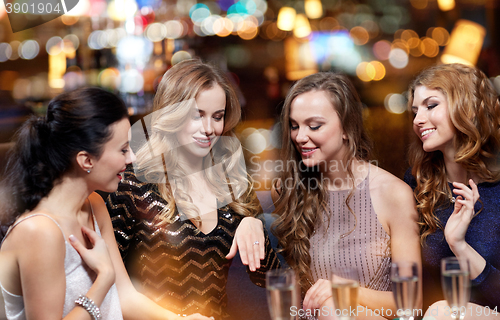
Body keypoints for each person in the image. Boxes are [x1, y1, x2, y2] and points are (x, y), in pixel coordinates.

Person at [0, 87, 211, 320]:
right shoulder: (40, 231)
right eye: (123, 150)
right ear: (86, 160)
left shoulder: (94, 204)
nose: (132, 158)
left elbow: (125, 296)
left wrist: (182, 319)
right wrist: (104, 279)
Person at [106, 59, 280, 320]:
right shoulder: (131, 183)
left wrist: (255, 225)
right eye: (197, 115)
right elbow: (111, 290)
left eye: (217, 117)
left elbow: (268, 277)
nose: (209, 129)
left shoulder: (231, 181)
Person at [270, 72, 421, 319]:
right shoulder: (288, 191)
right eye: (294, 126)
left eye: (314, 125)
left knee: (332, 307)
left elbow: (411, 306)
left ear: (346, 128)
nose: (300, 137)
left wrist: (344, 291)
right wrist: (251, 224)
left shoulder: (393, 194)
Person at [405, 63, 500, 318]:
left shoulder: (498, 189)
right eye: (415, 111)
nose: (417, 120)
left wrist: (459, 244)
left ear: (465, 107)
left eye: (431, 105)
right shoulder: (417, 185)